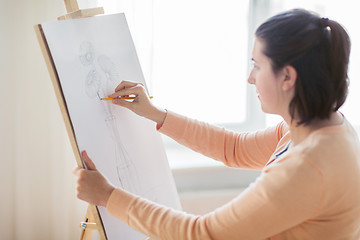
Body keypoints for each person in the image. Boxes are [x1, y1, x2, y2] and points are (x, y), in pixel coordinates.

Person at [73, 9, 360, 239]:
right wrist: (155, 113)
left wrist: (108, 196)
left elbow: (203, 234)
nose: (250, 78)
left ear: (287, 77)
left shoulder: (310, 165)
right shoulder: (313, 126)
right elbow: (233, 148)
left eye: (257, 66)